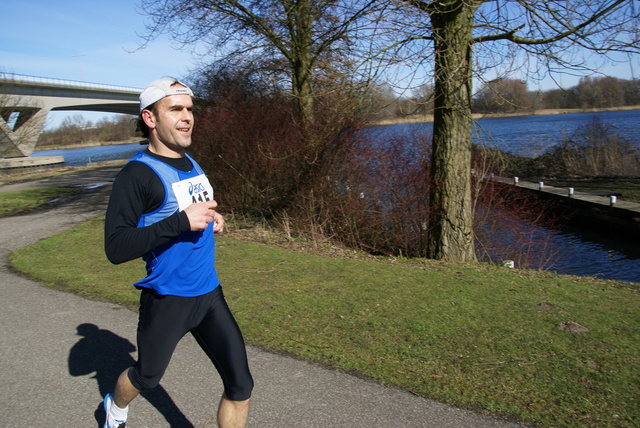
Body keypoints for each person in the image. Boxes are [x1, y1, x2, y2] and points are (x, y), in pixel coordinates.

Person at [102, 77, 253, 428]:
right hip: (167, 300)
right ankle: (115, 408)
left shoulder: (190, 162)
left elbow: (192, 210)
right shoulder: (136, 176)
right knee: (147, 377)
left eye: (189, 109)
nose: (187, 117)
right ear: (150, 118)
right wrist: (180, 222)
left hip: (209, 295)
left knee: (241, 384)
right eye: (175, 109)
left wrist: (213, 217)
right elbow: (116, 247)